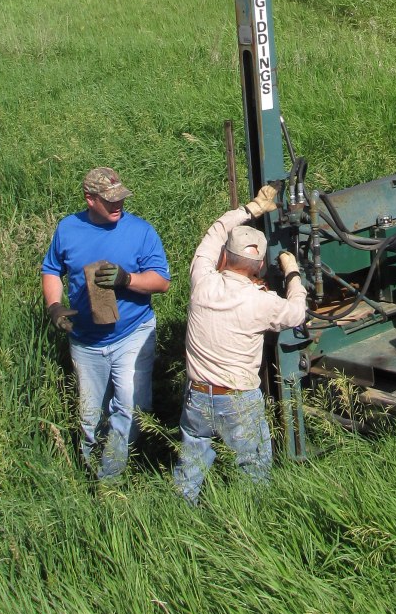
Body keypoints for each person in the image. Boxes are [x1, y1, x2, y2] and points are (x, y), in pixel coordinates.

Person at [174, 184, 307, 504]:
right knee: (253, 469)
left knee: (190, 466)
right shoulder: (261, 303)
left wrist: (252, 210)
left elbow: (216, 231)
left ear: (223, 257)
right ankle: (252, 523)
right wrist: (292, 274)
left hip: (198, 394)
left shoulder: (201, 282)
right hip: (238, 399)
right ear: (261, 266)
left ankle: (179, 518)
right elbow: (297, 313)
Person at [42, 166, 170, 479]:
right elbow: (51, 270)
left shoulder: (140, 231)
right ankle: (87, 469)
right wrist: (55, 307)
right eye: (109, 200)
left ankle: (110, 479)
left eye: (121, 199)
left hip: (133, 334)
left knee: (129, 408)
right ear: (90, 199)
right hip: (86, 340)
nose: (118, 206)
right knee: (89, 417)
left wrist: (127, 279)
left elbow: (161, 282)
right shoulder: (68, 229)